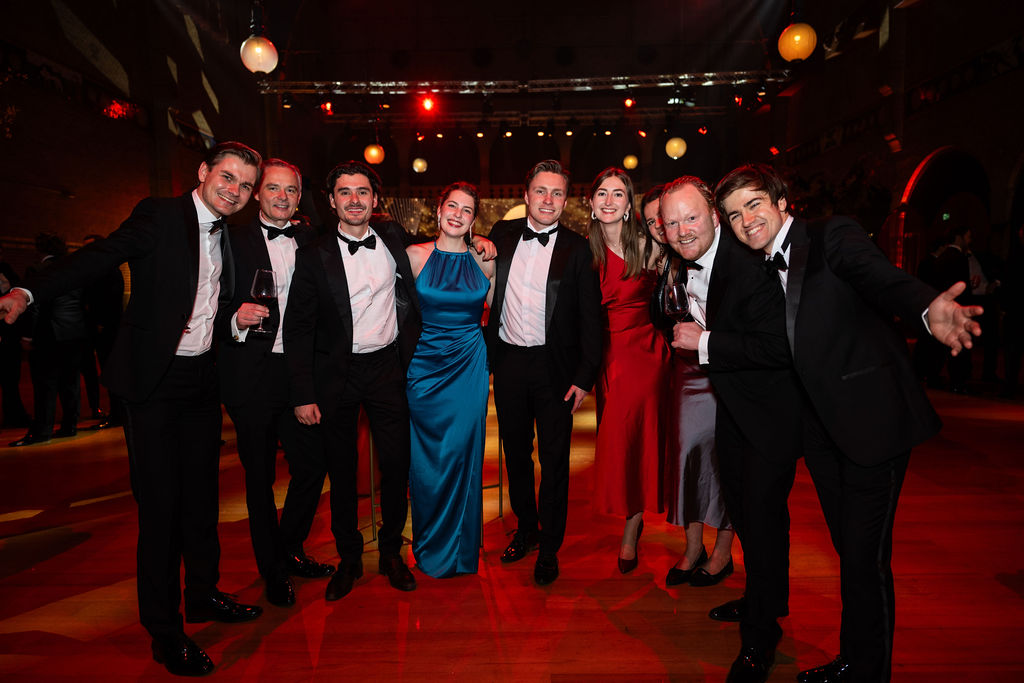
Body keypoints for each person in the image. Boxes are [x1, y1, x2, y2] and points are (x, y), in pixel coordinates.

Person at [0, 141, 266, 677]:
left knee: (202, 501)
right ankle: (164, 632)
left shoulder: (230, 235)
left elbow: (208, 305)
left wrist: (232, 321)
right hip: (153, 384)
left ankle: (203, 594)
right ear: (203, 171)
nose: (234, 190)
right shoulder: (160, 215)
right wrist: (27, 292)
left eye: (244, 184)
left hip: (200, 380)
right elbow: (95, 259)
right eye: (227, 177)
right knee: (162, 509)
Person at [714, 163, 981, 683]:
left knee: (864, 557)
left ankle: (867, 670)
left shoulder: (831, 236)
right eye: (734, 215)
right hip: (823, 430)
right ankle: (854, 658)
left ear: (781, 201)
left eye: (754, 204)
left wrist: (927, 308)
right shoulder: (760, 266)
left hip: (873, 420)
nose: (746, 221)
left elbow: (881, 279)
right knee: (849, 550)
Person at [665, 176, 801, 683]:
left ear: (713, 216)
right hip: (735, 408)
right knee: (745, 515)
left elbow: (778, 346)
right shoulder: (690, 261)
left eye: (691, 218)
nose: (682, 230)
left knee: (763, 523)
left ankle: (760, 638)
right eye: (672, 222)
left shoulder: (748, 264)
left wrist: (703, 344)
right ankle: (763, 600)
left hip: (770, 414)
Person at [284, 159, 423, 601]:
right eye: (345, 192)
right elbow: (298, 328)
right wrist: (303, 393)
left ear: (375, 199)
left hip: (387, 369)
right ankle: (349, 559)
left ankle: (391, 553)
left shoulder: (394, 238)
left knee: (396, 465)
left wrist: (478, 240)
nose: (355, 200)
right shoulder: (312, 256)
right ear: (331, 201)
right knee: (341, 472)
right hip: (335, 375)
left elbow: (441, 247)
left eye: (362, 191)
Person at [219, 158, 336, 609]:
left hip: (302, 372)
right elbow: (208, 298)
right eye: (273, 188)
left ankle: (289, 548)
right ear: (257, 193)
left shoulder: (313, 239)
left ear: (299, 195)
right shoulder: (232, 240)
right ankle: (272, 570)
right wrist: (235, 318)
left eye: (290, 190)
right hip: (253, 374)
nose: (282, 197)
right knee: (260, 478)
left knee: (312, 467)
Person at [485, 159, 603, 586]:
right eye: (541, 191)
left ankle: (550, 546)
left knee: (554, 462)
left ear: (566, 200)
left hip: (555, 369)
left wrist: (585, 375)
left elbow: (592, 318)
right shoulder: (501, 235)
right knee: (516, 455)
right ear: (526, 195)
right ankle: (527, 529)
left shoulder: (578, 248)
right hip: (510, 363)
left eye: (557, 193)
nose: (548, 200)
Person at [642, 185, 736, 588]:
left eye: (685, 218)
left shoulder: (728, 254)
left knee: (727, 462)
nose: (666, 228)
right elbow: (660, 318)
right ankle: (693, 547)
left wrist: (706, 338)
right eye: (659, 222)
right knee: (686, 458)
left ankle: (722, 554)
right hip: (687, 370)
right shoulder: (668, 261)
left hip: (727, 367)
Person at [405, 182, 495, 578]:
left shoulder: (484, 261)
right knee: (427, 459)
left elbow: (500, 310)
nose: (458, 214)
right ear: (439, 209)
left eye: (467, 210)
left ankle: (460, 550)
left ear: (474, 219)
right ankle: (429, 545)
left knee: (463, 454)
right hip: (424, 368)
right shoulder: (414, 256)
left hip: (469, 366)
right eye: (452, 206)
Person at [586, 167, 669, 573]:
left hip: (643, 355)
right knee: (623, 439)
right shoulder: (584, 251)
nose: (609, 200)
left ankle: (632, 526)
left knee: (632, 439)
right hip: (605, 355)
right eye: (602, 193)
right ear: (591, 203)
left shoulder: (648, 245)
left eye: (618, 194)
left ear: (628, 204)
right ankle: (632, 517)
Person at [9, 233, 87, 446]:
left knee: (45, 384)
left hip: (49, 333)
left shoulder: (38, 269)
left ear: (40, 249)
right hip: (75, 332)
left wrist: (27, 335)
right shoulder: (73, 268)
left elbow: (34, 306)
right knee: (70, 382)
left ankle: (42, 431)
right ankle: (69, 426)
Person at [0, 247, 30, 429]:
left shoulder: (7, 270)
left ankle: (14, 415)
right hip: (5, 332)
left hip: (9, 334)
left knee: (10, 379)